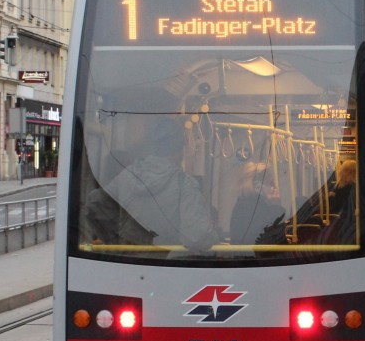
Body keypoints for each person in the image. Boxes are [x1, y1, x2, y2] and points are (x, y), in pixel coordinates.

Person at [84, 102, 218, 253]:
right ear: (179, 150)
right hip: (163, 262)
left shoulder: (128, 175)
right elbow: (197, 236)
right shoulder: (183, 184)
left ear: (152, 147)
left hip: (125, 259)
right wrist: (213, 236)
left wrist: (114, 239)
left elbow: (95, 203)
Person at [230, 163, 285, 245]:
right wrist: (275, 207)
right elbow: (265, 236)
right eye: (271, 183)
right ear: (258, 186)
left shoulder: (244, 203)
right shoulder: (252, 207)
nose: (274, 187)